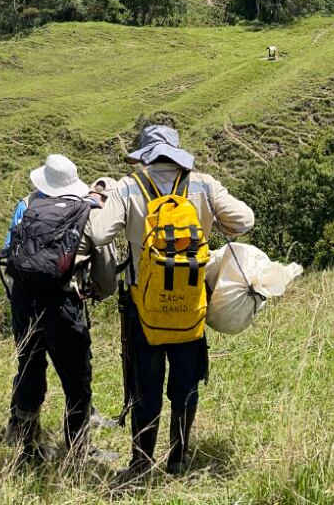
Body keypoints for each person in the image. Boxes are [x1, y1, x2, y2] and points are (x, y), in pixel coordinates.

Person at [90, 124, 254, 479]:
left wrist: (107, 200)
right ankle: (178, 459)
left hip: (143, 306)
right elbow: (244, 219)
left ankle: (140, 464)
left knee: (144, 388)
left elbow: (100, 233)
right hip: (191, 304)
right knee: (185, 385)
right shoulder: (203, 184)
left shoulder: (129, 186)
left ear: (145, 153)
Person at [0, 153, 110, 464]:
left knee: (30, 369)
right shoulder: (84, 211)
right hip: (63, 303)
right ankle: (78, 451)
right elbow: (105, 273)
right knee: (77, 379)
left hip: (24, 301)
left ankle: (26, 446)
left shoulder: (26, 206)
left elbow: (9, 253)